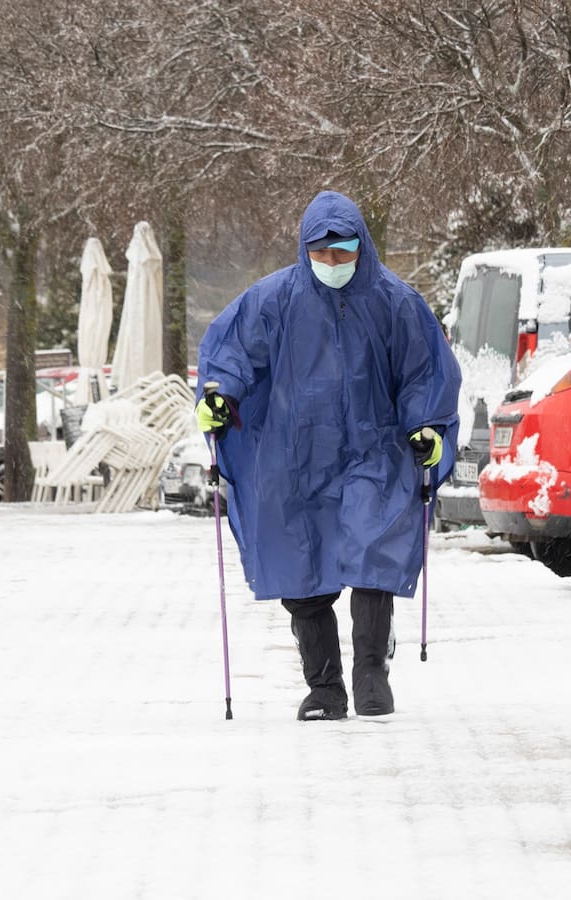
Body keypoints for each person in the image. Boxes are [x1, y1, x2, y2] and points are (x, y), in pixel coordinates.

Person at [196, 190, 462, 721]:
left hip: (375, 451)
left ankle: (369, 674)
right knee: (300, 561)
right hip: (295, 454)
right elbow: (233, 352)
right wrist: (219, 394)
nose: (333, 263)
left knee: (372, 554)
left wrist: (426, 425)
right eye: (322, 254)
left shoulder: (395, 302)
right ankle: (324, 687)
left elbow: (422, 371)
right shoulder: (273, 301)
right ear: (305, 250)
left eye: (342, 253)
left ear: (361, 246)